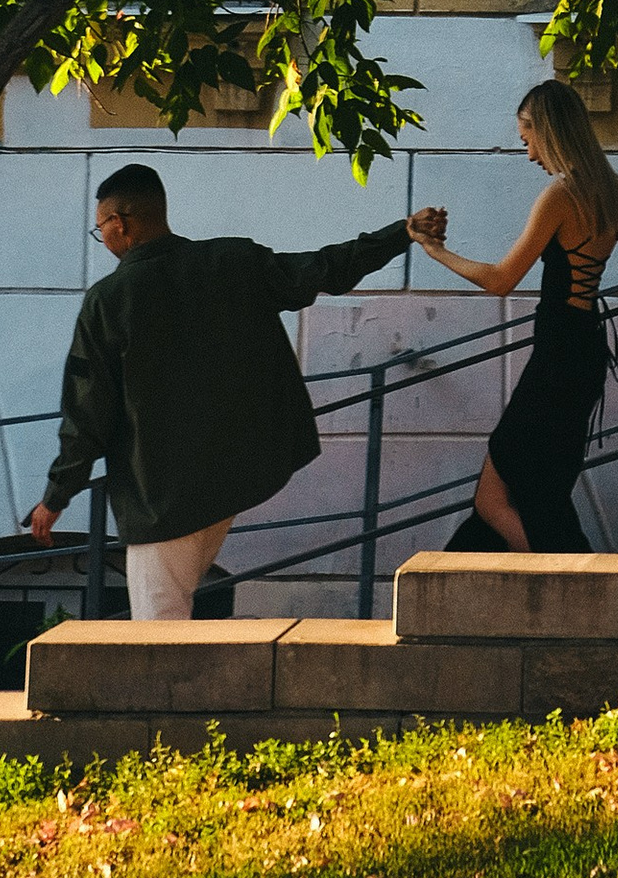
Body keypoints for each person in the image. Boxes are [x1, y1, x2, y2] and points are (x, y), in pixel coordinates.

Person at [28, 162, 449, 619]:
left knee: (157, 633)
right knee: (172, 621)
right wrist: (400, 233)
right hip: (231, 476)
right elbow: (324, 268)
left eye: (101, 229)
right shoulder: (233, 261)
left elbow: (87, 412)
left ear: (120, 223)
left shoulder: (109, 300)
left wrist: (55, 497)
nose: (104, 238)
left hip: (161, 496)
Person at [412, 80, 618, 551]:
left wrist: (435, 251)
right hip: (587, 353)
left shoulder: (559, 197)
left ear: (548, 130)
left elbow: (501, 279)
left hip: (556, 353)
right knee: (544, 490)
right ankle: (559, 570)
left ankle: (561, 574)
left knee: (493, 499)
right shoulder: (617, 194)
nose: (530, 154)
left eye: (527, 139)